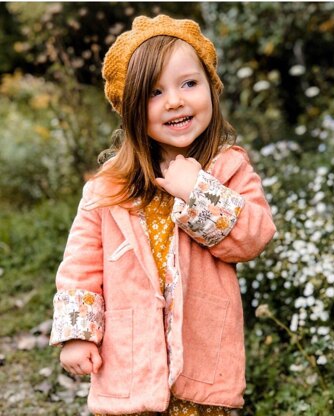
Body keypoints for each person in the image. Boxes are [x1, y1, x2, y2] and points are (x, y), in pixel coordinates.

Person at [50, 14, 276, 416]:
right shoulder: (108, 189)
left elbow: (253, 237)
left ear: (211, 89)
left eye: (189, 83)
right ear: (132, 109)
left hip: (201, 358)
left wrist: (199, 190)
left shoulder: (228, 170)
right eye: (155, 92)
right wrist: (78, 335)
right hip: (130, 361)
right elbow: (80, 266)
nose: (175, 100)